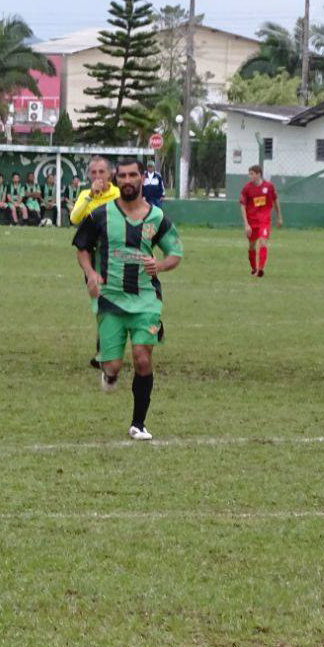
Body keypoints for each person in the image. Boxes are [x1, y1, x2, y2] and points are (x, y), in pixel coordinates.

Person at [73, 157, 183, 441]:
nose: (127, 181)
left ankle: (138, 423)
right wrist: (90, 274)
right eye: (122, 176)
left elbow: (175, 254)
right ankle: (109, 372)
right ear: (116, 180)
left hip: (146, 298)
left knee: (142, 358)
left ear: (141, 178)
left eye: (132, 175)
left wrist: (159, 265)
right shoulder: (100, 215)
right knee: (113, 365)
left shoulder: (157, 217)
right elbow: (82, 247)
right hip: (110, 298)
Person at [238, 164, 282, 277]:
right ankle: (254, 268)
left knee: (263, 242)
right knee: (252, 246)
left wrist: (279, 217)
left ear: (258, 174)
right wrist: (246, 224)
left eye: (251, 174)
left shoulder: (269, 187)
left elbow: (276, 200)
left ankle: (260, 269)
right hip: (252, 222)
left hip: (264, 221)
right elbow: (242, 205)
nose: (249, 176)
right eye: (249, 174)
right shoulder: (247, 188)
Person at [69, 155, 119, 227]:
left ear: (109, 174)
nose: (97, 176)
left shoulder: (118, 193)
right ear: (89, 175)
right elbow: (74, 219)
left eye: (101, 172)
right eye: (93, 172)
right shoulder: (85, 194)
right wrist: (90, 195)